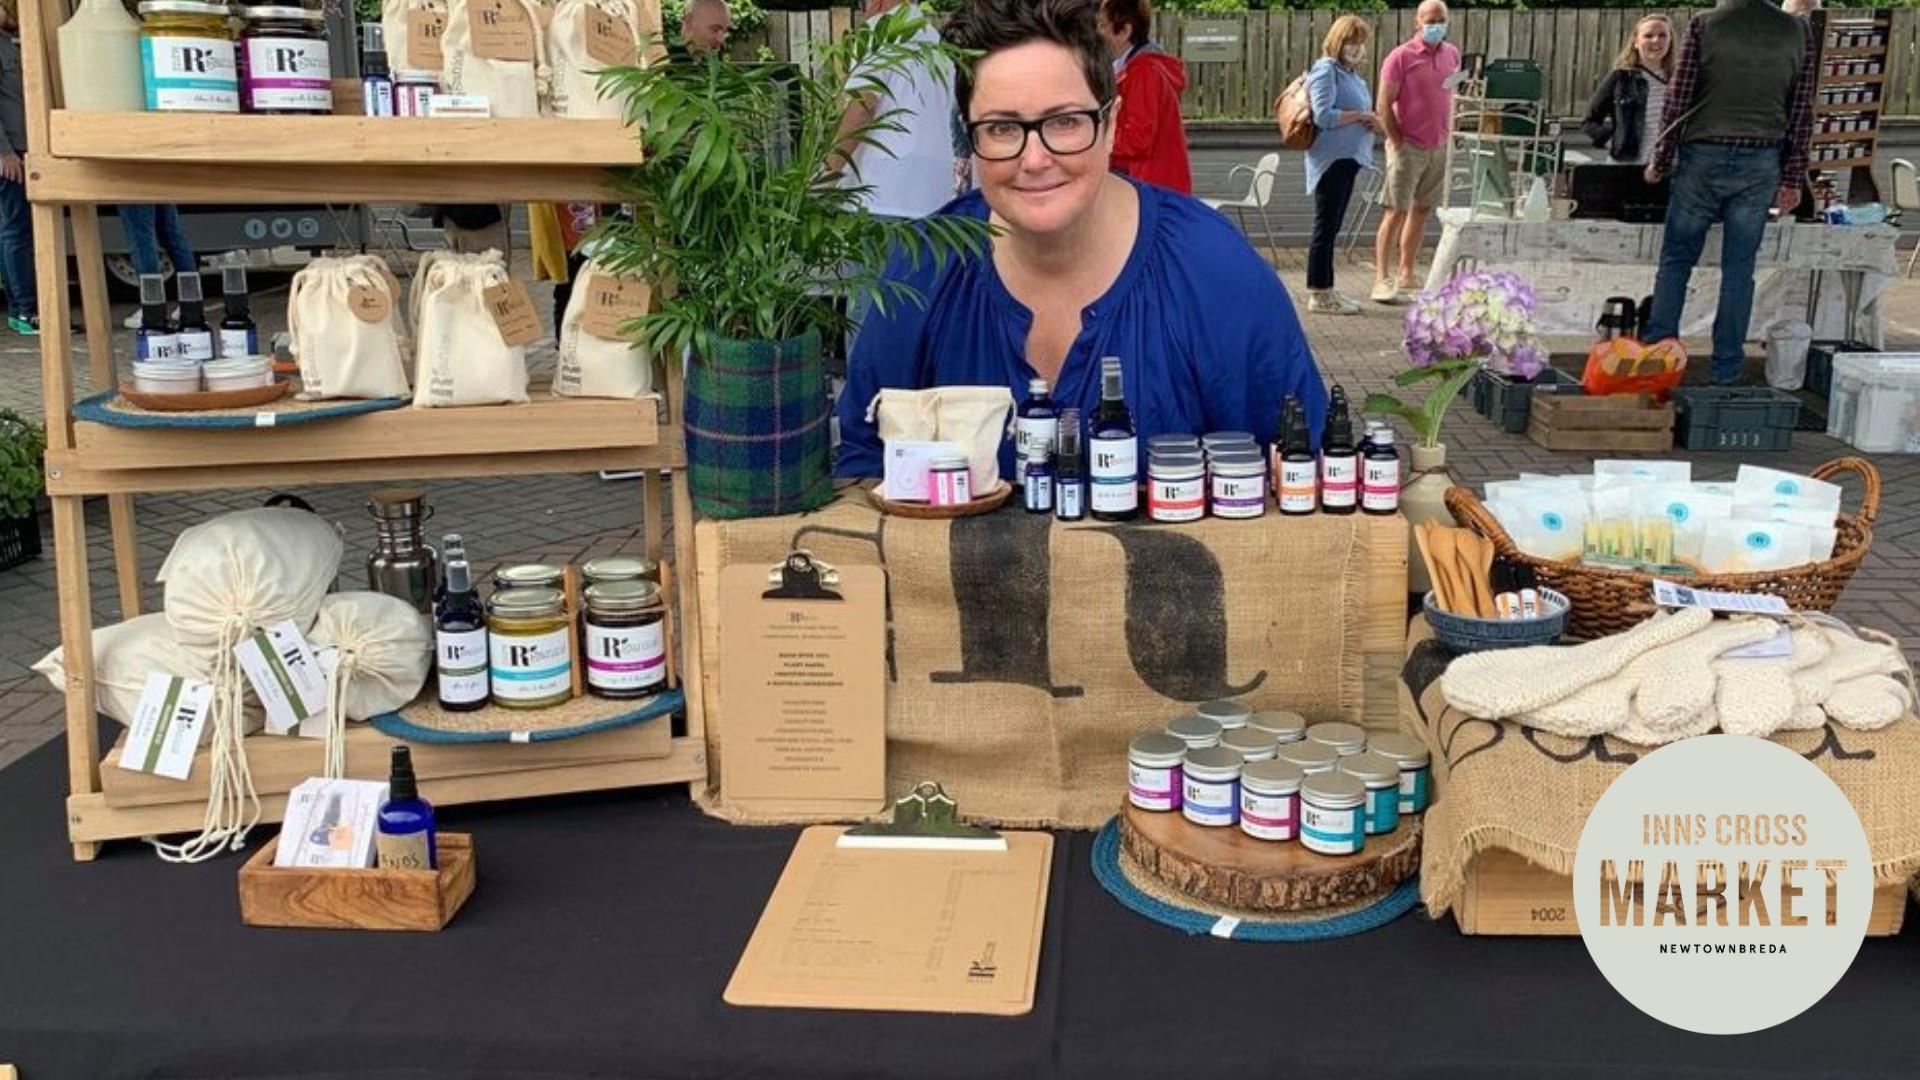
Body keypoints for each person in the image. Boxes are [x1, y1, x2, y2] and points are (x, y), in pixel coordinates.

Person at [835, 0, 1327, 480]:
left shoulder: (1217, 273)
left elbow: (1304, 467)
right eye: (1003, 128)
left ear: (1111, 125)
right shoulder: (922, 271)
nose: (1035, 158)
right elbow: (861, 464)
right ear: (969, 139)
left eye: (1065, 122)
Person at [1642, 0, 1816, 386]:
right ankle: (1726, 370)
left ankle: (1658, 363)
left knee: (1676, 262)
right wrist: (1792, 177)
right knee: (1740, 270)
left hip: (1703, 154)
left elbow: (1678, 97)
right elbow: (1802, 109)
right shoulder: (1798, 31)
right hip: (1762, 158)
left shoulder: (1706, 24)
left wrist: (1661, 158)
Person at [833, 0, 958, 222]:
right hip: (934, 198)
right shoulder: (934, 40)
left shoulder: (880, 30)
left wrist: (825, 175)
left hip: (878, 195)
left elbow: (864, 105)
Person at [1372, 0, 1458, 304]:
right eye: (1430, 20)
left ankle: (1407, 272)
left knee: (1422, 210)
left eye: (1441, 19)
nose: (1436, 25)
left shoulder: (1452, 54)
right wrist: (1396, 139)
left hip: (1440, 144)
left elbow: (1452, 92)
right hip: (1408, 146)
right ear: (1417, 23)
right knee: (1396, 210)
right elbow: (1383, 104)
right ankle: (1382, 278)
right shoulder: (1400, 57)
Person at [1302, 15, 1378, 315]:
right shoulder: (1326, 70)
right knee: (1325, 227)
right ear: (1338, 41)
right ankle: (1319, 293)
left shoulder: (1350, 74)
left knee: (1332, 228)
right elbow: (1323, 115)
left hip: (1348, 159)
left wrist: (1367, 119)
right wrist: (1359, 116)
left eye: (1360, 43)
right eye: (1351, 42)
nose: (1357, 48)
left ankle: (1327, 289)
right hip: (1331, 160)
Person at [1096, 0, 1191, 194]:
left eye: (1104, 25)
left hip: (1150, 187)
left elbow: (1137, 139)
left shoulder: (1144, 72)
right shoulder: (1140, 68)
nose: (1099, 32)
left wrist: (1097, 138)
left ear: (1124, 31)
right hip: (1155, 185)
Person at [1581, 15, 1675, 165]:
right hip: (1626, 164)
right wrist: (1611, 139)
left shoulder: (1680, 81)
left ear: (1670, 41)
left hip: (1669, 166)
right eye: (1648, 36)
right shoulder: (1620, 78)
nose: (1656, 40)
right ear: (1636, 42)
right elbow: (1589, 121)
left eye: (1662, 35)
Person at [0, 0, 35, 336]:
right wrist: (4, 153)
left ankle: (19, 309)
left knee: (14, 230)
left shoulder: (6, 43)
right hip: (11, 153)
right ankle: (26, 310)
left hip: (19, 148)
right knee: (16, 231)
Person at [117, 205, 196, 329]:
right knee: (172, 234)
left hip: (133, 188)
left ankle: (152, 309)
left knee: (141, 240)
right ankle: (192, 303)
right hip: (160, 186)